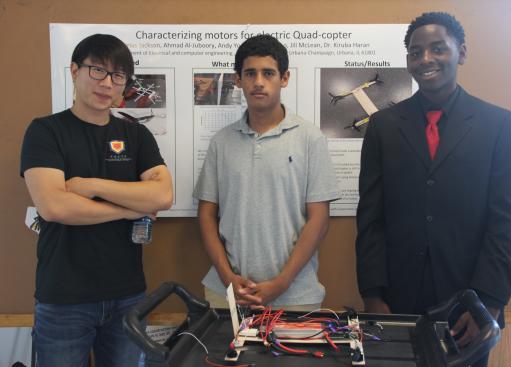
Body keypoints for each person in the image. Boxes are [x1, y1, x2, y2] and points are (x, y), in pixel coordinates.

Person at [355, 12, 511, 366]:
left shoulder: (497, 124)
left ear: (460, 52)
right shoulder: (383, 127)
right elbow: (370, 217)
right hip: (396, 300)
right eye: (415, 53)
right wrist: (373, 295)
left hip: (468, 304)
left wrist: (488, 302)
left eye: (437, 49)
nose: (425, 59)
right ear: (408, 61)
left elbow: (507, 220)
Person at [20, 34, 173, 367]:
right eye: (98, 71)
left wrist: (89, 186)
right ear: (74, 70)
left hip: (127, 295)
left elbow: (162, 195)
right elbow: (54, 207)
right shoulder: (45, 131)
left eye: (118, 76)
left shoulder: (136, 135)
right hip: (64, 298)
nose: (107, 83)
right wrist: (130, 207)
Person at [193, 34, 340, 311]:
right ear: (238, 80)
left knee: (292, 357)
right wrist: (228, 278)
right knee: (220, 356)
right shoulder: (221, 142)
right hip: (227, 295)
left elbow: (319, 218)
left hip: (296, 295)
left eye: (268, 73)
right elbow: (206, 215)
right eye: (250, 73)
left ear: (284, 78)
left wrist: (281, 283)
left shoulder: (310, 138)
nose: (258, 82)